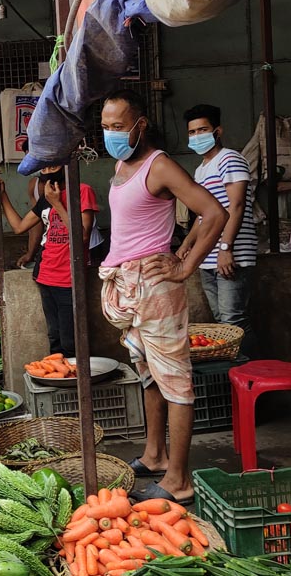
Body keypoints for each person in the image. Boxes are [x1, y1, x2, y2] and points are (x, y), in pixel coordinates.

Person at [96, 90, 227, 504]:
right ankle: (155, 455)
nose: (111, 134)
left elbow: (215, 213)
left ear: (140, 125)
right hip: (130, 286)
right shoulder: (122, 163)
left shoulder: (161, 165)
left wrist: (185, 266)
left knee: (175, 383)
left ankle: (179, 480)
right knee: (148, 373)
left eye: (118, 127)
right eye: (105, 126)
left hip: (155, 287)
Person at [0, 166, 98, 358]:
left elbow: (81, 236)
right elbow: (19, 226)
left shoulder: (82, 191)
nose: (46, 171)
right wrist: (2, 195)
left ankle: (77, 383)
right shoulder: (45, 198)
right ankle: (60, 380)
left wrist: (57, 203)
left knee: (71, 340)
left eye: (51, 166)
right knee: (54, 337)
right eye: (43, 167)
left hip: (69, 279)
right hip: (46, 276)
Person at [177, 104, 256, 356]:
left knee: (233, 320)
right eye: (192, 132)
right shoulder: (201, 170)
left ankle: (251, 371)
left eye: (203, 130)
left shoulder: (230, 159)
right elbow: (204, 216)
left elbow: (237, 205)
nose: (197, 136)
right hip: (208, 257)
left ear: (217, 131)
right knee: (223, 321)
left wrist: (225, 247)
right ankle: (238, 375)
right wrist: (187, 244)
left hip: (231, 252)